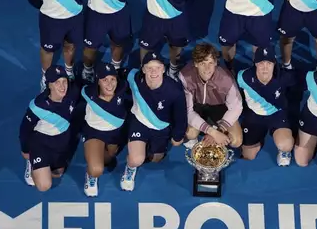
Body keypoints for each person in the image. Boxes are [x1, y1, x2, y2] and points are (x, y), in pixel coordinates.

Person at [121, 52, 187, 191]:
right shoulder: (133, 77)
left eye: (157, 68)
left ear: (163, 69)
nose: (153, 72)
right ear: (143, 69)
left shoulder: (174, 91)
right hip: (139, 122)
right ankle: (130, 169)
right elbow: (114, 77)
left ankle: (145, 148)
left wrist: (177, 136)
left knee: (156, 158)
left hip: (161, 127)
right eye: (149, 68)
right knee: (136, 159)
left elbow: (180, 117)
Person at [27, 0, 86, 90]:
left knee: (70, 45)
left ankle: (69, 70)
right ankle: (46, 76)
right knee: (48, 50)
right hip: (51, 21)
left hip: (74, 18)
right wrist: (50, 9)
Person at [19, 65, 82, 192]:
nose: (62, 86)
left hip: (61, 143)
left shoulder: (73, 93)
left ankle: (44, 166)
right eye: (57, 82)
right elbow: (24, 130)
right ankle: (32, 163)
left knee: (58, 173)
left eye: (64, 81)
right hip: (41, 144)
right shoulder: (38, 106)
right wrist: (25, 150)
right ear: (49, 85)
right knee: (44, 185)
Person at [237, 46, 296, 166]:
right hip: (254, 115)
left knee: (286, 145)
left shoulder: (284, 77)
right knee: (248, 155)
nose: (265, 67)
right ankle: (257, 139)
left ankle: (283, 150)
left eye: (269, 63)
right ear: (255, 63)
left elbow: (299, 84)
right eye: (261, 63)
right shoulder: (243, 77)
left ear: (274, 63)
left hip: (277, 114)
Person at [178, 43, 243, 149]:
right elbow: (188, 111)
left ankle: (217, 138)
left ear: (216, 63)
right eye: (203, 63)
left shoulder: (226, 78)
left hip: (218, 107)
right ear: (195, 64)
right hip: (196, 106)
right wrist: (212, 132)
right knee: (190, 134)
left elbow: (236, 107)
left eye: (210, 63)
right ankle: (203, 135)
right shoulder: (185, 76)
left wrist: (219, 130)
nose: (207, 68)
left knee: (236, 141)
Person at [80, 62, 131, 197]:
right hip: (94, 133)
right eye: (104, 80)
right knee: (97, 169)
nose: (109, 84)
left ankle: (97, 156)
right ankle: (90, 176)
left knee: (109, 158)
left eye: (112, 79)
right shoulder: (88, 92)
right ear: (97, 81)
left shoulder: (122, 87)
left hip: (115, 134)